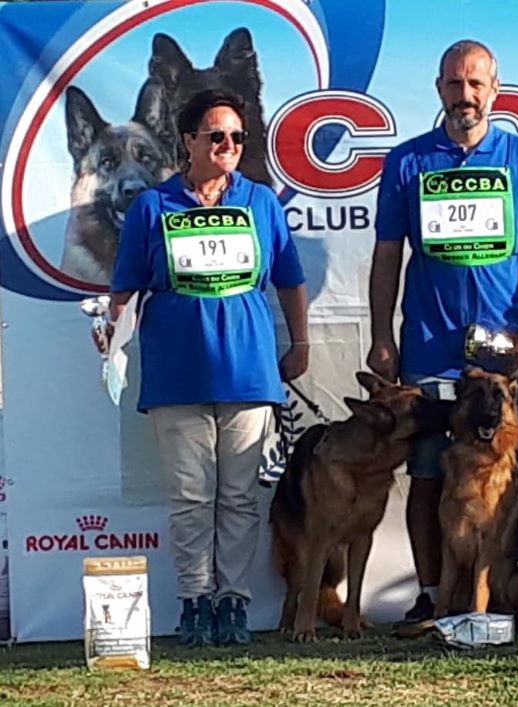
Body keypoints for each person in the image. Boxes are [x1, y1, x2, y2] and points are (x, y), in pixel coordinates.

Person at [368, 39, 518, 622]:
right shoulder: (406, 162)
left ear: (494, 90)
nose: (466, 96)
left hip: (509, 351)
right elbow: (387, 257)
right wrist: (384, 336)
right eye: (455, 84)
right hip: (432, 348)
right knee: (429, 474)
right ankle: (433, 596)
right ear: (439, 90)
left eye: (476, 84)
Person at [99, 89, 309, 646]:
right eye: (216, 135)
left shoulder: (261, 202)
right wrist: (111, 337)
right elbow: (125, 289)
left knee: (240, 497)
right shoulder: (152, 207)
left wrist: (302, 343)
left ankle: (233, 603)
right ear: (188, 141)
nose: (229, 145)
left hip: (249, 374)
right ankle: (195, 600)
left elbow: (289, 279)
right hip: (177, 376)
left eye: (238, 137)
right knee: (192, 497)